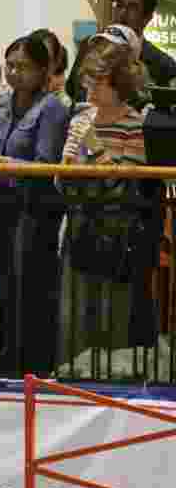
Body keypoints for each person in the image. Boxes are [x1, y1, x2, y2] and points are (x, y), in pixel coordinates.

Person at [56, 27, 159, 372]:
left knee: (112, 324)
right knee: (73, 322)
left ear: (119, 84)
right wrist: (75, 166)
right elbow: (62, 177)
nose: (90, 88)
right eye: (88, 80)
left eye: (98, 81)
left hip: (118, 236)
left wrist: (96, 149)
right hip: (80, 229)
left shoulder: (135, 123)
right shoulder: (80, 119)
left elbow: (127, 183)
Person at [0, 34, 68, 376]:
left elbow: (47, 165)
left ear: (44, 70)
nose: (14, 73)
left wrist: (1, 162)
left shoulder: (53, 107)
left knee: (29, 298)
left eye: (23, 66)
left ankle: (30, 375)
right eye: (10, 65)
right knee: (0, 296)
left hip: (34, 214)